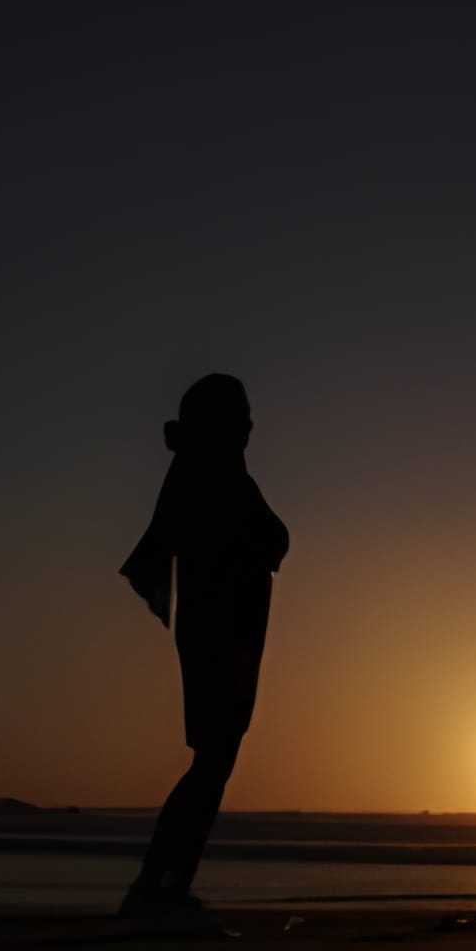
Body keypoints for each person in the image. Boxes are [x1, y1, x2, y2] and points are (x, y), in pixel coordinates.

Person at [116, 373, 289, 916]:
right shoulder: (209, 475)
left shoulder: (212, 472)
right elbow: (244, 541)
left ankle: (166, 883)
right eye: (242, 418)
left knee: (215, 759)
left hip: (227, 630)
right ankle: (158, 886)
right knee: (213, 760)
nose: (250, 428)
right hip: (220, 633)